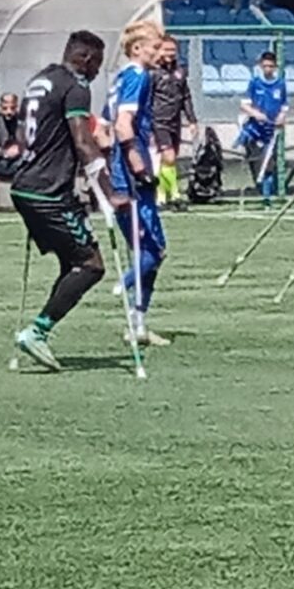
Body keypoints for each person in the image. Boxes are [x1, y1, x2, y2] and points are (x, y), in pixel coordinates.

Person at [8, 31, 117, 371]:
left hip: (26, 185)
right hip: (48, 192)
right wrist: (110, 193)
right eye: (97, 63)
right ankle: (37, 332)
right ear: (85, 58)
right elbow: (83, 142)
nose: (98, 71)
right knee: (91, 265)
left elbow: (23, 136)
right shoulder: (76, 87)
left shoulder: (40, 81)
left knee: (71, 263)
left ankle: (40, 329)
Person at [102, 20, 170, 347]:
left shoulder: (118, 80)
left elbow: (101, 127)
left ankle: (138, 324)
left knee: (148, 249)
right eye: (155, 47)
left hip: (120, 171)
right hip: (131, 174)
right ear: (137, 49)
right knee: (152, 250)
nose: (161, 53)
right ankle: (125, 284)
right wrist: (134, 160)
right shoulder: (137, 76)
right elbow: (122, 125)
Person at [149, 34, 197, 211]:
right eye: (166, 49)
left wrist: (192, 120)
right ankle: (175, 194)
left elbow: (185, 96)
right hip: (158, 121)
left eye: (172, 50)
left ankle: (161, 196)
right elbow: (147, 99)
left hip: (174, 121)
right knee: (168, 157)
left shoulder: (180, 71)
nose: (170, 53)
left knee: (168, 161)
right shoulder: (153, 72)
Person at [239, 51, 288, 206]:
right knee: (256, 161)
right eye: (265, 66)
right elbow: (244, 104)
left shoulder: (280, 84)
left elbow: (284, 104)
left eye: (271, 66)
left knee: (269, 163)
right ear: (260, 66)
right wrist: (255, 114)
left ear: (275, 67)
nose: (268, 69)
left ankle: (268, 196)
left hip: (272, 129)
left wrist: (281, 116)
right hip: (255, 129)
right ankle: (260, 191)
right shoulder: (254, 83)